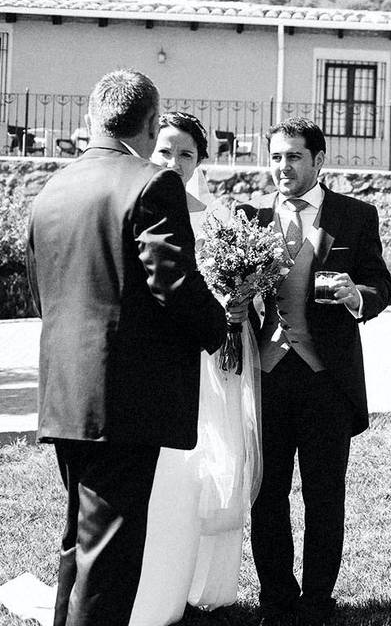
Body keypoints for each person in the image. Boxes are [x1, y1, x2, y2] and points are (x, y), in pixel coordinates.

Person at [26, 70, 226, 626]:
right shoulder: (152, 183)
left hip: (66, 392)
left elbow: (40, 284)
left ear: (95, 118)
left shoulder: (53, 188)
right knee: (110, 554)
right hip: (125, 398)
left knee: (81, 540)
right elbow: (172, 281)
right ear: (149, 121)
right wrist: (218, 329)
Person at [240, 117, 391, 626]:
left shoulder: (354, 216)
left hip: (327, 378)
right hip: (267, 375)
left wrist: (358, 297)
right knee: (268, 495)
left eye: (294, 157)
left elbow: (380, 285)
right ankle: (276, 598)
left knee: (325, 495)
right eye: (277, 156)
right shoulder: (250, 219)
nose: (283, 166)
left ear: (318, 160)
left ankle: (317, 601)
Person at [129, 112, 261, 625]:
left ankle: (209, 581)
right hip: (164, 359)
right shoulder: (142, 207)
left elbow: (247, 290)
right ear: (150, 150)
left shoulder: (220, 219)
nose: (174, 162)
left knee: (215, 465)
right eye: (165, 151)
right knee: (172, 470)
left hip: (214, 361)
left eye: (186, 154)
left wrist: (240, 303)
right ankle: (159, 575)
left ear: (200, 162)